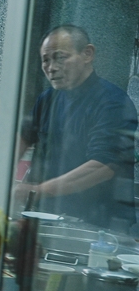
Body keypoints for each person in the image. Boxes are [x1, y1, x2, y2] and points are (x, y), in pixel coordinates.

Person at [20, 25, 137, 231]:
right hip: (47, 217)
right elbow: (20, 141)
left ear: (87, 54)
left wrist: (36, 190)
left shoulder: (114, 102)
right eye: (46, 60)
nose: (51, 67)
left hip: (100, 227)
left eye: (60, 57)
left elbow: (102, 166)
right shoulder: (47, 99)